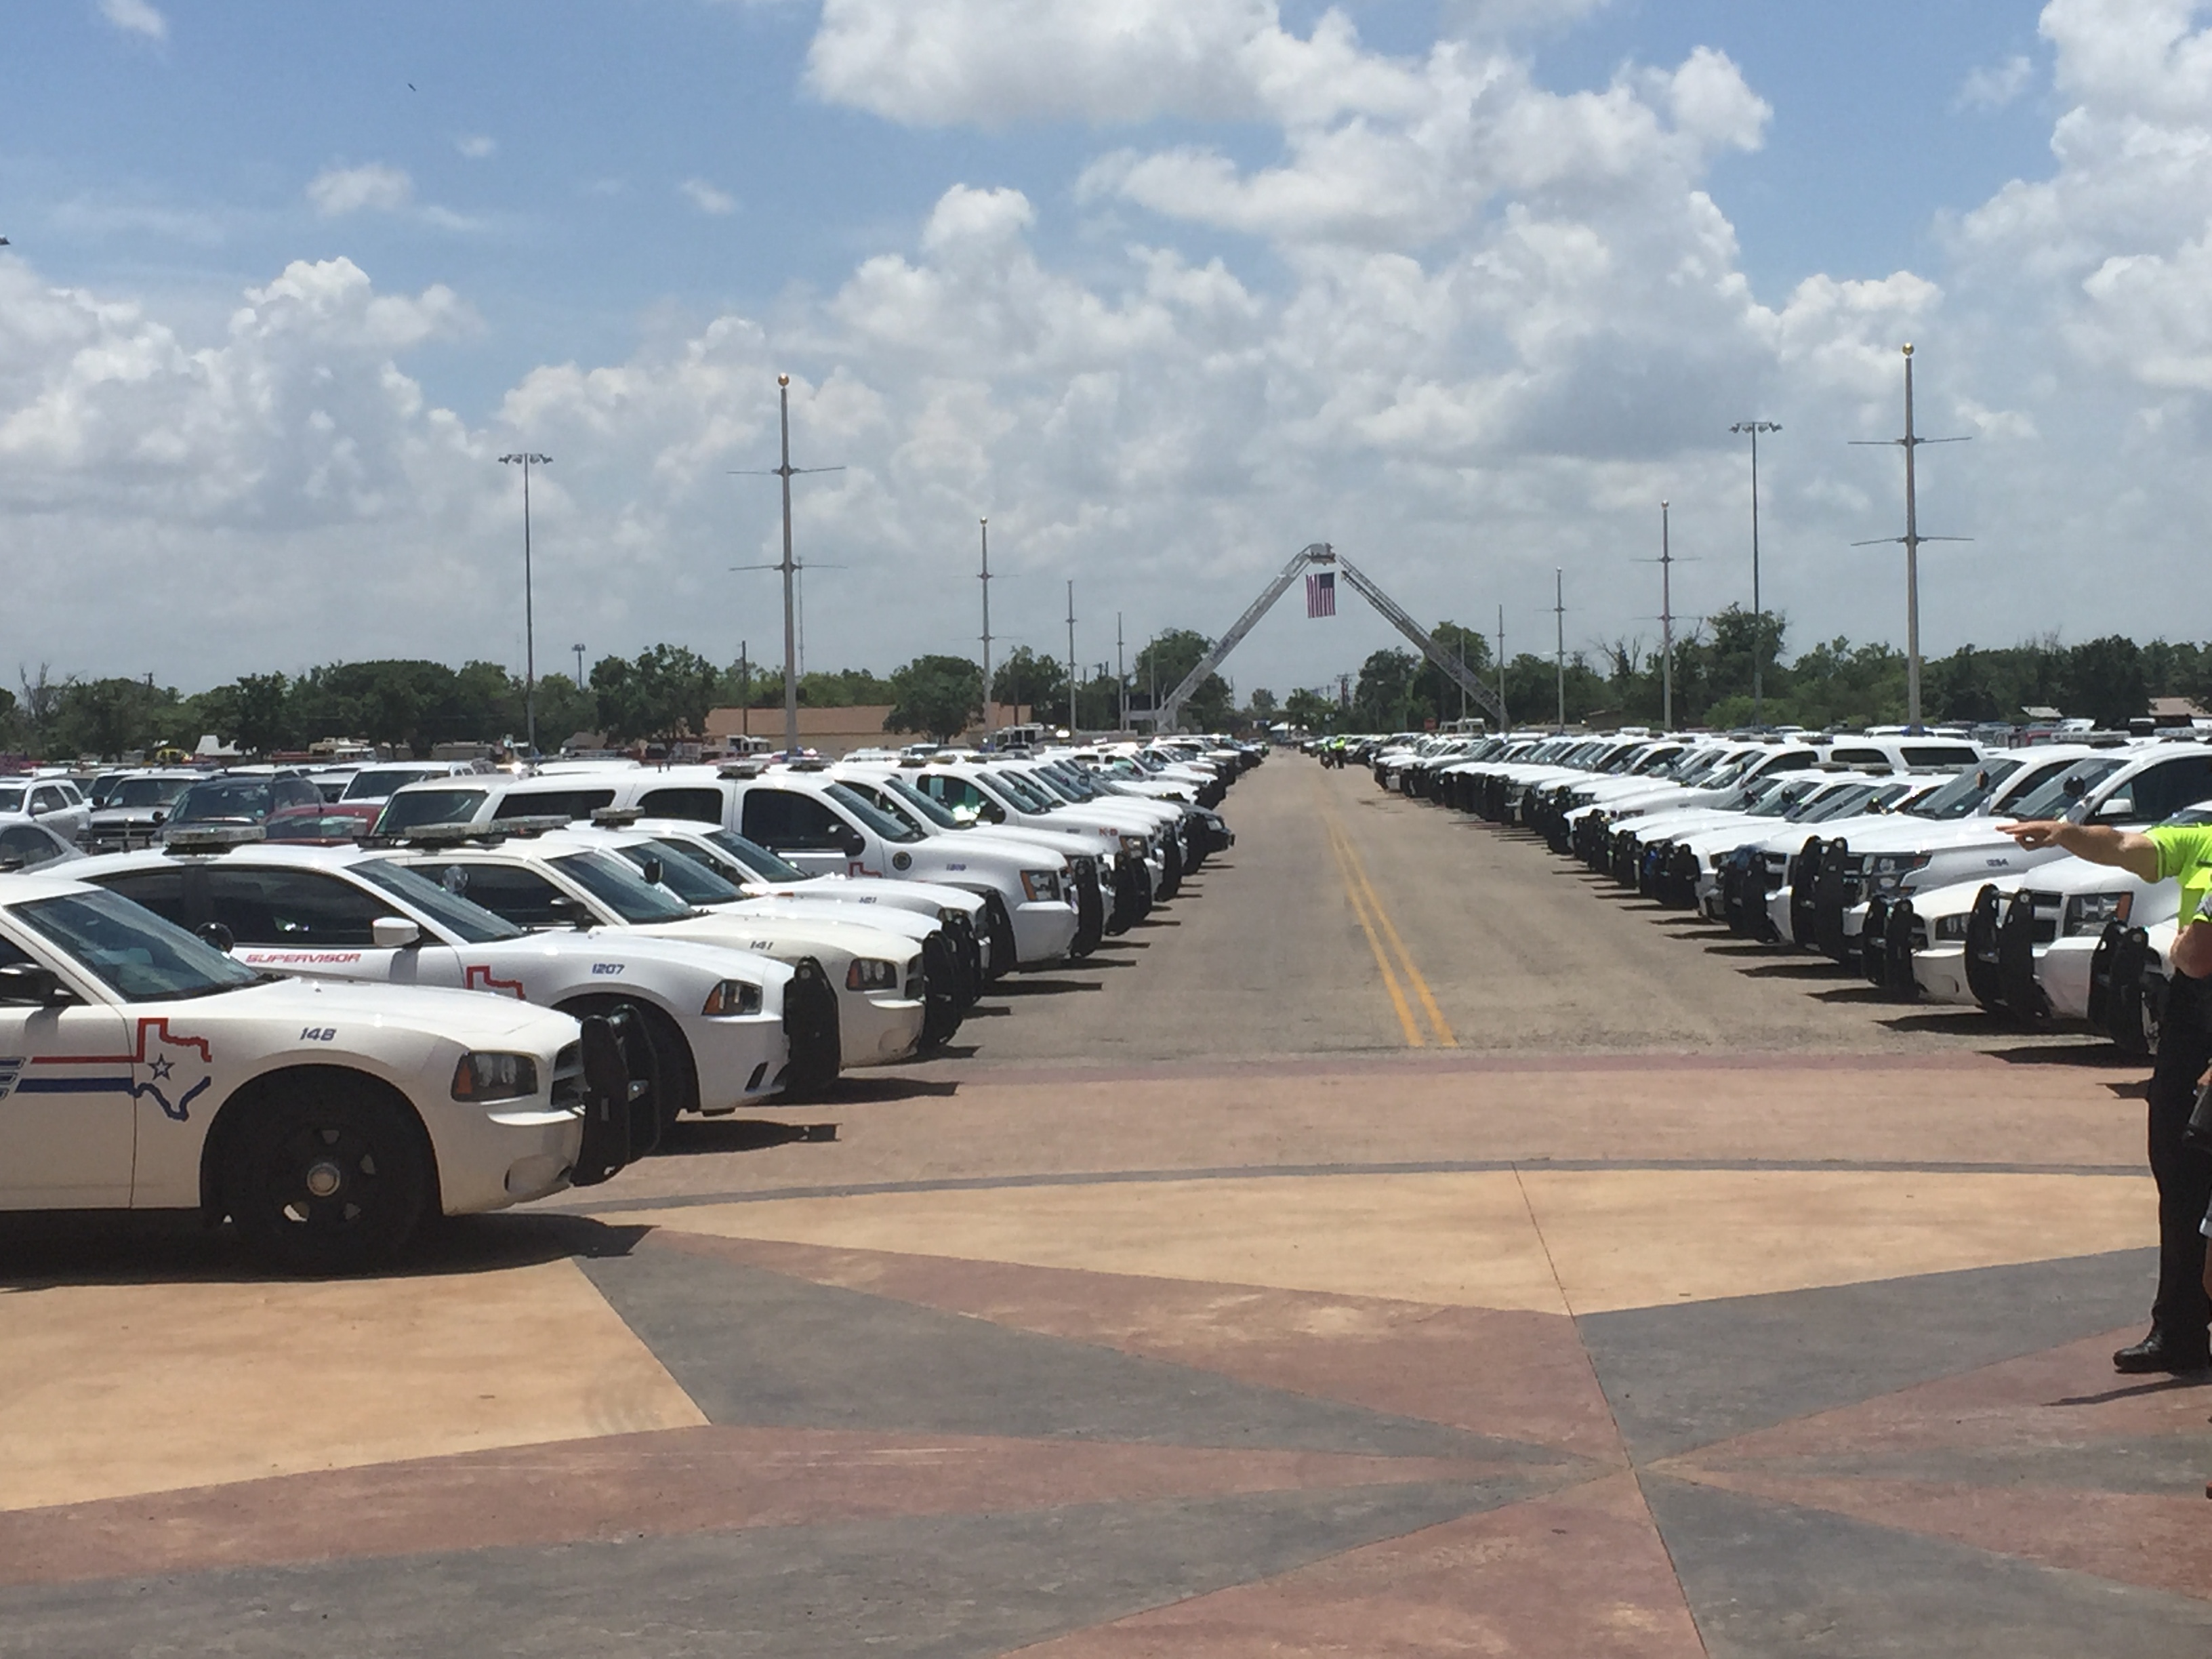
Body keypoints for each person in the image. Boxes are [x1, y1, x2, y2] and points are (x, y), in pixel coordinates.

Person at [2001, 813, 2212, 1373]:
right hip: (2193, 1025)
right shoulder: (2203, 840)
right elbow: (2122, 844)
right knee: (2179, 1171)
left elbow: (2197, 956)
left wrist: (2179, 944)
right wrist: (2066, 833)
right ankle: (2181, 1329)